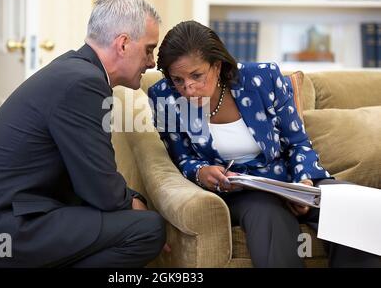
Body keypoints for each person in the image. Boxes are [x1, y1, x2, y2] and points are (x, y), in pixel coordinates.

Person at [0, 0, 167, 268]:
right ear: (123, 44)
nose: (152, 61)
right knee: (147, 229)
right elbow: (101, 190)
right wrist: (135, 203)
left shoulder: (73, 70)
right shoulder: (84, 84)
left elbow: (89, 178)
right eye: (149, 49)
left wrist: (130, 198)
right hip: (0, 227)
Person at [148, 20, 381, 268]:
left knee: (354, 206)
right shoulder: (165, 97)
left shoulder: (262, 78)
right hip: (238, 192)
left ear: (216, 67)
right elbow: (182, 158)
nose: (188, 88)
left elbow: (298, 143)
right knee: (268, 213)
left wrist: (302, 185)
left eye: (196, 75)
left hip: (288, 179)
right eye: (178, 79)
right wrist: (200, 172)